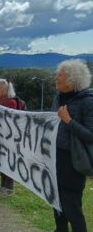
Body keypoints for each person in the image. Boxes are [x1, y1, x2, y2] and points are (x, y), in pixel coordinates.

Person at [51, 59, 92, 232]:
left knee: (72, 208)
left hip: (73, 162)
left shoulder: (88, 102)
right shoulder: (59, 97)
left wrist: (69, 121)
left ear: (73, 79)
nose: (55, 78)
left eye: (60, 75)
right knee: (56, 204)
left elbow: (91, 135)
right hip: (54, 158)